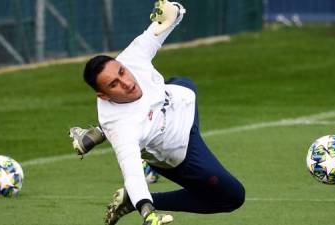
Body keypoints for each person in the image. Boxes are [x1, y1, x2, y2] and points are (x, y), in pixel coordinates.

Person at [69, 1, 245, 225]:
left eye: (122, 72)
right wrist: (146, 209)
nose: (126, 82)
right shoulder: (122, 128)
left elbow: (169, 19)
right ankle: (132, 202)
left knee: (185, 82)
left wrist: (173, 9)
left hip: (179, 102)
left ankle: (95, 133)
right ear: (104, 96)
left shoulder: (131, 57)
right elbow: (133, 175)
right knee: (233, 197)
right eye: (114, 84)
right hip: (180, 149)